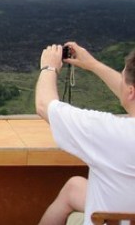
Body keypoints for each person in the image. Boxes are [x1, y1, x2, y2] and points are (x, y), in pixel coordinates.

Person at [35, 42, 135, 225]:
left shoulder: (110, 134)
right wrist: (93, 65)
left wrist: (49, 67)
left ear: (131, 92)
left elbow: (44, 105)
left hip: (113, 220)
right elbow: (127, 93)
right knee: (74, 187)